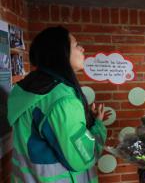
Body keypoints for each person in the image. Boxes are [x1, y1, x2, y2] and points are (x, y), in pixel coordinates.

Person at [7, 26, 110, 182]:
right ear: (60, 54)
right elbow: (83, 158)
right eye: (76, 45)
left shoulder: (24, 88)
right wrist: (98, 126)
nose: (82, 48)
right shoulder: (63, 101)